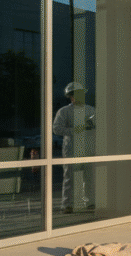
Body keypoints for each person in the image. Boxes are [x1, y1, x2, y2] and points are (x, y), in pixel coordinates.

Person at [52, 82, 96, 213]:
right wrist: (74, 130)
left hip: (88, 147)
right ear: (70, 97)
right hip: (71, 148)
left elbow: (99, 125)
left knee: (89, 176)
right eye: (75, 95)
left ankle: (90, 202)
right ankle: (67, 205)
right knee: (69, 176)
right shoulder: (64, 111)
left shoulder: (91, 110)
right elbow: (56, 129)